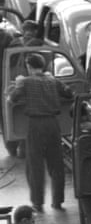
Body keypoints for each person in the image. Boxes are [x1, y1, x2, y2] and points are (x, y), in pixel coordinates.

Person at [8, 54, 72, 213]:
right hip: (53, 124)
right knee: (56, 164)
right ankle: (58, 201)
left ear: (29, 66)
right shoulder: (53, 80)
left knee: (35, 164)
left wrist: (18, 83)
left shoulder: (26, 82)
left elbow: (12, 99)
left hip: (36, 125)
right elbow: (69, 93)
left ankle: (38, 203)